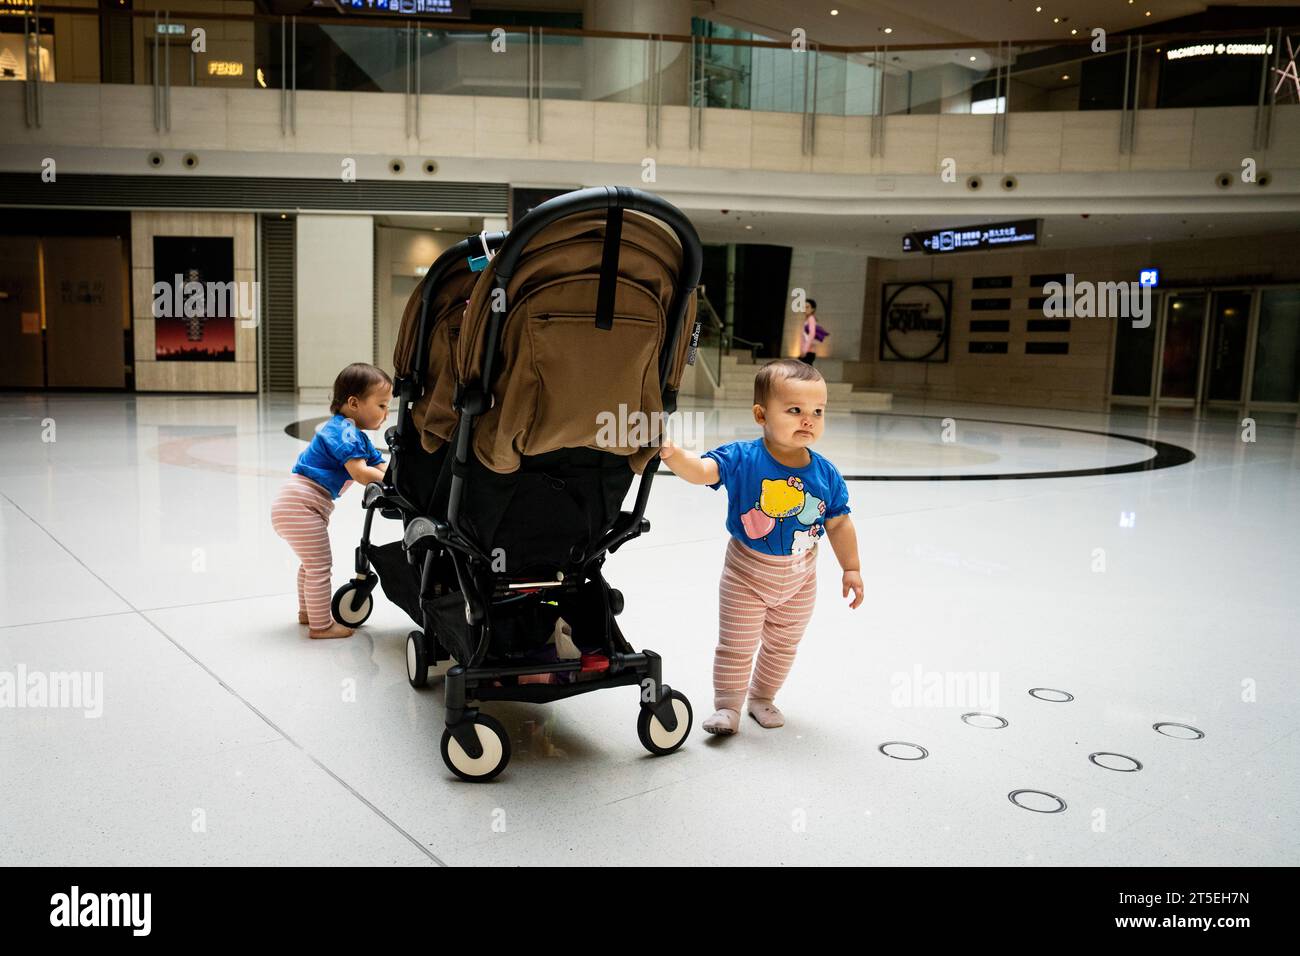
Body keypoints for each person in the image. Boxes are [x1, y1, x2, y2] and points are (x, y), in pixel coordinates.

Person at [658, 358, 864, 734]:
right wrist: (674, 456)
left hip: (800, 580)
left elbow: (839, 522)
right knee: (736, 645)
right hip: (746, 575)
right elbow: (702, 471)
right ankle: (728, 707)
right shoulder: (742, 458)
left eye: (818, 412)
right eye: (795, 410)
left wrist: (851, 567)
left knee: (783, 646)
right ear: (761, 414)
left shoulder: (826, 473)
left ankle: (763, 697)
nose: (808, 420)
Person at [271, 363, 391, 639]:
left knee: (309, 564)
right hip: (301, 506)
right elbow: (362, 473)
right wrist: (395, 483)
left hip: (293, 503)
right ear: (354, 403)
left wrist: (397, 476)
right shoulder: (344, 432)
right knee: (319, 566)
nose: (386, 414)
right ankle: (321, 626)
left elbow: (380, 466)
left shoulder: (353, 433)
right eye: (382, 406)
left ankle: (307, 613)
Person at [799, 298, 823, 365]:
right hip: (808, 351)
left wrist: (804, 350)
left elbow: (811, 334)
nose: (805, 309)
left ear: (813, 309)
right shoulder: (808, 319)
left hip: (808, 352)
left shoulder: (811, 318)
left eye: (807, 307)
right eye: (804, 307)